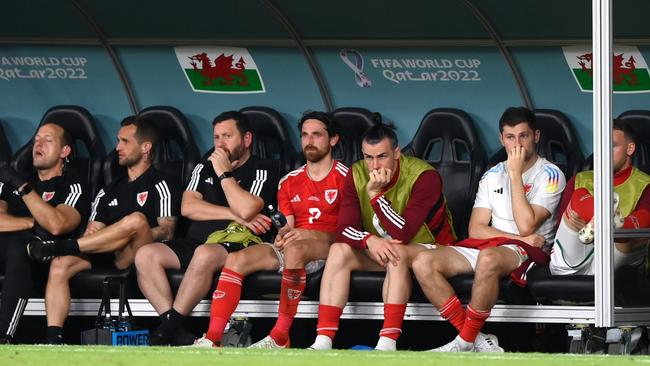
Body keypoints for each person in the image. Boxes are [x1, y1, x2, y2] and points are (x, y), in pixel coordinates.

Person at [411, 107, 566, 352]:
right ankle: (474, 339)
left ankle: (464, 342)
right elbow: (476, 229)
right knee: (422, 262)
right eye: (510, 138)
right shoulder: (492, 174)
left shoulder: (551, 174)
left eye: (523, 136)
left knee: (488, 258)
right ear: (501, 139)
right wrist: (515, 236)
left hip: (529, 252)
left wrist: (515, 175)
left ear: (536, 136)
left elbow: (528, 225)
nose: (517, 144)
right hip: (495, 245)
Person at [193, 111, 347, 348]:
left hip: (330, 247)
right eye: (305, 135)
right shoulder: (288, 181)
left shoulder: (347, 178)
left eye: (317, 135)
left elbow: (352, 232)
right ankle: (212, 339)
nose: (309, 141)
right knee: (236, 259)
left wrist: (310, 235)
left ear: (333, 140)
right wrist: (282, 237)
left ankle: (280, 336)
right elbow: (289, 228)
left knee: (296, 250)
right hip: (296, 245)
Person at [27, 115, 181, 344]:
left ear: (146, 147)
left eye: (124, 141)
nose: (117, 147)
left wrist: (131, 232)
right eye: (118, 141)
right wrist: (111, 237)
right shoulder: (109, 189)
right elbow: (93, 231)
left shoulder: (163, 183)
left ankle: (64, 246)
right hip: (104, 251)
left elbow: (167, 231)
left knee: (136, 220)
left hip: (137, 251)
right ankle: (53, 339)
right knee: (60, 264)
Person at [309, 122, 456, 351]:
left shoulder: (424, 176)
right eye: (368, 157)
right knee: (338, 250)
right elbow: (344, 229)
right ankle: (323, 340)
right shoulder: (356, 174)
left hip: (430, 250)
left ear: (397, 153)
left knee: (396, 250)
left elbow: (403, 232)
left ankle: (387, 342)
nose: (374, 165)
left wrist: (376, 195)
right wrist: (370, 240)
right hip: (383, 249)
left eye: (382, 156)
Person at [138, 111, 278, 345]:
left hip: (236, 243)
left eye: (227, 136)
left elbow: (247, 208)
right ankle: (176, 329)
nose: (220, 144)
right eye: (216, 137)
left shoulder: (263, 167)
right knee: (145, 255)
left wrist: (225, 174)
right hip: (197, 240)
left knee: (205, 253)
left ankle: (165, 332)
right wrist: (235, 214)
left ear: (246, 140)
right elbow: (187, 206)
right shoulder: (205, 165)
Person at [0, 122, 89, 343]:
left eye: (48, 140)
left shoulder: (73, 184)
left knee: (18, 248)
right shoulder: (13, 181)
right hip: (8, 249)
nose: (38, 144)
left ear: (64, 151)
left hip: (44, 255)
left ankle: (4, 337)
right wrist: (32, 223)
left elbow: (57, 226)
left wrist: (24, 189)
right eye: (36, 139)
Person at [550, 118, 650, 276]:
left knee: (637, 232)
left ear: (630, 148)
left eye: (612, 146)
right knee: (579, 194)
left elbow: (643, 226)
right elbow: (560, 228)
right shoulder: (580, 179)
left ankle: (610, 225)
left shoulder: (645, 184)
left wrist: (593, 226)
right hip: (572, 262)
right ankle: (609, 220)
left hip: (614, 264)